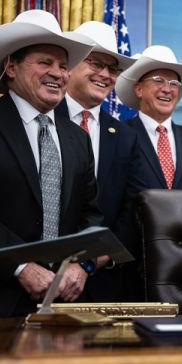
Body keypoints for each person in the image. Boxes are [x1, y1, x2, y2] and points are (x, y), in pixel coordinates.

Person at [0, 10, 102, 332]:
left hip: (64, 309)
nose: (57, 73)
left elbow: (92, 217)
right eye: (45, 62)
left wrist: (82, 266)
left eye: (63, 66)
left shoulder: (78, 139)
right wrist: (20, 266)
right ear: (10, 67)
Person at [56, 21, 147, 302]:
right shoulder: (41, 118)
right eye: (96, 63)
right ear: (70, 66)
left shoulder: (124, 136)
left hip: (102, 284)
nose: (105, 75)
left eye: (113, 69)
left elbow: (130, 211)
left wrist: (89, 264)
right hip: (33, 278)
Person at [115, 45, 182, 192]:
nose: (167, 89)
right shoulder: (119, 136)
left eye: (174, 84)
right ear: (139, 89)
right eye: (158, 80)